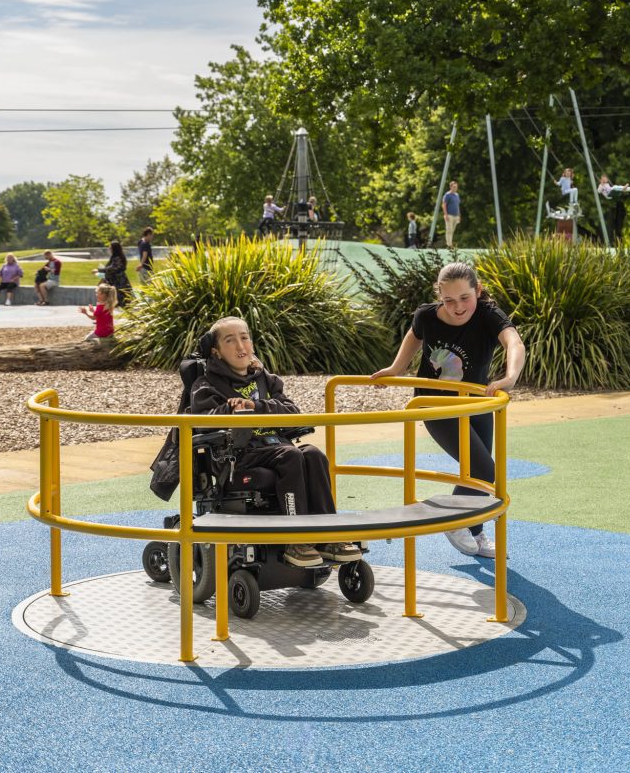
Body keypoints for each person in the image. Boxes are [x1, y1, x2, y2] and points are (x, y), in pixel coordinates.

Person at [370, 262, 526, 558]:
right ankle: (454, 522)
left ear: (478, 291)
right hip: (435, 405)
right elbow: (415, 335)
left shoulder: (488, 315)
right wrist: (398, 368)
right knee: (484, 471)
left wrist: (511, 376)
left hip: (475, 402)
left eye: (465, 298)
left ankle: (476, 534)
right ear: (439, 296)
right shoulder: (427, 315)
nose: (457, 307)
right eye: (449, 300)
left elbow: (514, 342)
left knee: (478, 475)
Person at [191, 316, 361, 568]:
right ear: (216, 352)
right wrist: (230, 412)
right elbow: (200, 423)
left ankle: (328, 537)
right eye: (230, 341)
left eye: (244, 338)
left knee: (313, 454)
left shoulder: (265, 379)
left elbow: (293, 412)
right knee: (290, 456)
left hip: (274, 446)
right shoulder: (206, 385)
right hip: (237, 457)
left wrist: (256, 406)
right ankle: (296, 540)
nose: (240, 346)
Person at [598, 175, 630, 242]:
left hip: (612, 193)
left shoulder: (607, 184)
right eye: (603, 179)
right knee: (615, 187)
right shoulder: (601, 185)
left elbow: (611, 188)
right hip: (609, 195)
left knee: (616, 186)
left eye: (606, 179)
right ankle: (627, 189)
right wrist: (601, 184)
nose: (605, 180)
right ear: (601, 179)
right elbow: (598, 191)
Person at [100, 241, 132, 309]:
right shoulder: (115, 257)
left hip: (119, 282)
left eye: (110, 248)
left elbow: (113, 268)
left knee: (122, 300)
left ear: (114, 249)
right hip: (116, 282)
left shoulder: (118, 258)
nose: (109, 249)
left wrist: (100, 270)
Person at [442, 180, 461, 248]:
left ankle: (450, 243)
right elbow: (444, 205)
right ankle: (449, 244)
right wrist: (446, 215)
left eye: (456, 187)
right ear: (450, 187)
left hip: (456, 215)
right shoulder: (447, 195)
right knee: (449, 229)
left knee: (452, 230)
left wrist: (459, 215)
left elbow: (457, 205)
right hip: (449, 215)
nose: (455, 188)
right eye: (454, 187)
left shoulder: (457, 195)